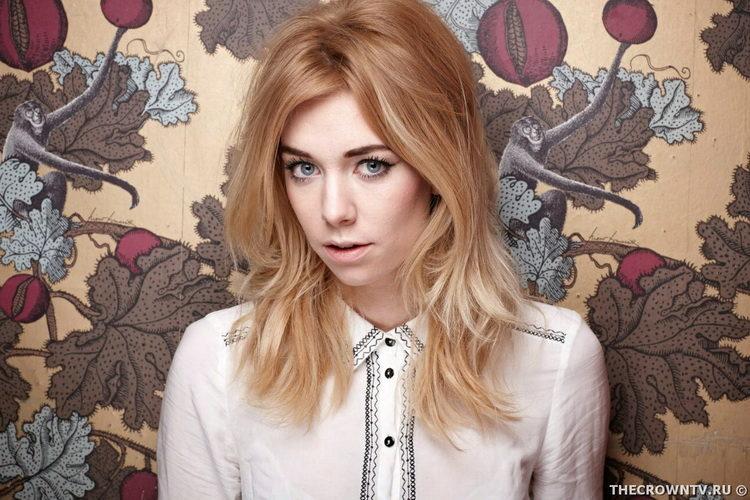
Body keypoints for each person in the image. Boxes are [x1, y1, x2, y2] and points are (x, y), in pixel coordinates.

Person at [156, 0, 610, 498]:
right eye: (303, 168)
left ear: (439, 167)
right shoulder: (218, 361)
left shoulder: (556, 359)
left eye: (372, 165)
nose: (333, 211)